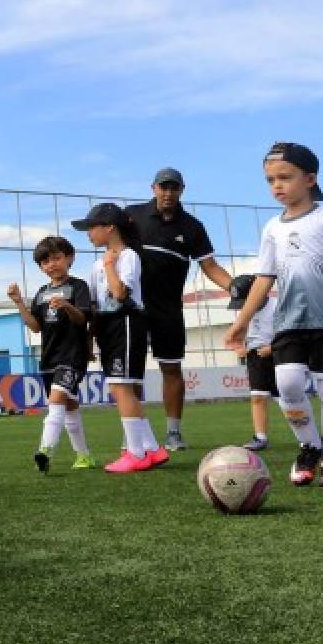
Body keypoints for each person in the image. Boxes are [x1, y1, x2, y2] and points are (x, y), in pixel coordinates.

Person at [224, 142, 323, 489]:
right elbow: (264, 279)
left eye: (285, 177)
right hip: (289, 322)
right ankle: (310, 446)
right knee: (288, 385)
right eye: (270, 180)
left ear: (310, 178)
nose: (277, 186)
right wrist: (239, 324)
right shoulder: (272, 228)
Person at [127, 168, 232, 452]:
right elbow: (112, 249)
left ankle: (173, 433)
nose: (168, 193)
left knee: (171, 369)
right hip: (133, 308)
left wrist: (235, 287)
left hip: (169, 309)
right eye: (163, 187)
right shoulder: (132, 215)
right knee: (131, 375)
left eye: (174, 188)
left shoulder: (192, 226)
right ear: (153, 188)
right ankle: (135, 434)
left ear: (181, 190)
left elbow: (210, 267)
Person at [72, 203, 167, 474]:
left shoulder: (127, 257)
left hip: (126, 323)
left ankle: (136, 453)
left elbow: (120, 293)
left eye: (92, 227)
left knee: (122, 388)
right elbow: (92, 307)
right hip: (106, 327)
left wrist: (110, 266)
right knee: (120, 388)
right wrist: (89, 341)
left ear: (109, 227)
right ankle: (151, 448)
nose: (88, 233)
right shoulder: (97, 264)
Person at [7, 235, 94, 473]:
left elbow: (83, 319)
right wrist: (19, 303)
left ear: (70, 258)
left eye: (56, 258)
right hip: (48, 358)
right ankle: (84, 455)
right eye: (45, 261)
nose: (52, 264)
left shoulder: (79, 287)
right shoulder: (41, 292)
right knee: (69, 405)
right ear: (41, 267)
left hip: (73, 356)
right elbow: (35, 327)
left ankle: (45, 450)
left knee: (55, 402)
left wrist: (66, 306)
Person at [226, 274, 277, 451]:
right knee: (257, 397)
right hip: (255, 356)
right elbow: (241, 332)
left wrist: (273, 347)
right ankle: (260, 437)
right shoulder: (244, 312)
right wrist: (240, 346)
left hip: (280, 355)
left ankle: (307, 438)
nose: (242, 308)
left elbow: (290, 333)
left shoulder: (277, 306)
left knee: (289, 400)